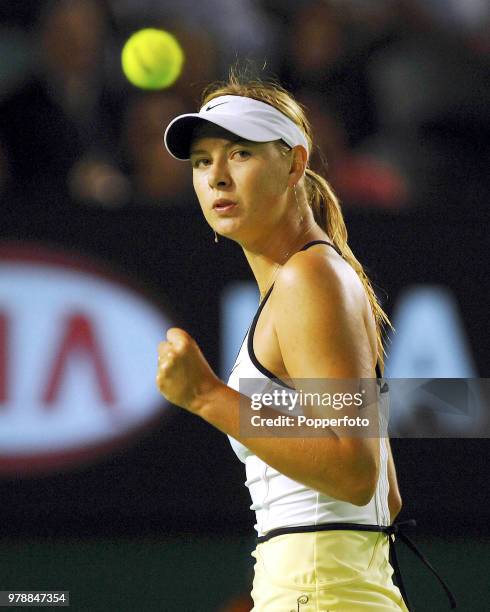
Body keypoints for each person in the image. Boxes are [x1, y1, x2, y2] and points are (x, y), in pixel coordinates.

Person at [156, 73, 407, 611]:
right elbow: (385, 494)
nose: (217, 178)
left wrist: (208, 397)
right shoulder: (315, 276)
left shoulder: (309, 279)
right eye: (202, 162)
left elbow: (356, 471)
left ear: (294, 163)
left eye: (240, 153)